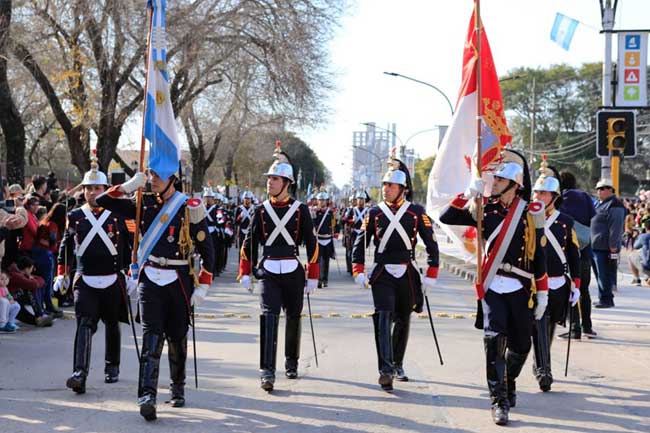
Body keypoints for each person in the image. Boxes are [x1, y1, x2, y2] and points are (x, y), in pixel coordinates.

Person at [97, 164, 214, 421]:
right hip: (150, 277)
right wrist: (129, 186)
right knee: (151, 337)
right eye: (150, 174)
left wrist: (204, 285)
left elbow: (208, 251)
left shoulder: (188, 206)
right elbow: (102, 200)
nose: (152, 179)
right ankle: (147, 395)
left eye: (158, 175)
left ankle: (177, 387)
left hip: (180, 279)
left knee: (176, 336)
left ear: (173, 178)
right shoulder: (143, 203)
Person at [439, 149, 548, 426]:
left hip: (521, 286)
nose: (494, 182)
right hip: (492, 285)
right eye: (494, 179)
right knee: (494, 338)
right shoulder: (483, 207)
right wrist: (467, 192)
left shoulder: (531, 212)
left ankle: (508, 380)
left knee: (522, 344)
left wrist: (544, 291)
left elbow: (540, 255)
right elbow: (447, 216)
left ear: (514, 184)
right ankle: (498, 399)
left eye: (500, 180)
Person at [352, 154, 439, 392]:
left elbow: (431, 244)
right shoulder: (374, 213)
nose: (385, 189)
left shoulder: (416, 212)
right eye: (384, 185)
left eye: (390, 185)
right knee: (382, 316)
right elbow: (360, 243)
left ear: (403, 188)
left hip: (407, 272)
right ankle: (385, 370)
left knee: (403, 318)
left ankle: (398, 363)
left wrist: (431, 273)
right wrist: (358, 269)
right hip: (382, 273)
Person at [238, 141, 319, 392]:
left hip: (293, 270)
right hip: (269, 270)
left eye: (274, 179)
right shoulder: (261, 210)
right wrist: (245, 271)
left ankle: (291, 362)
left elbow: (312, 243)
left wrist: (313, 274)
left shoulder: (301, 210)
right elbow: (250, 242)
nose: (269, 182)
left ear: (287, 183)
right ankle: (267, 371)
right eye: (269, 179)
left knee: (293, 317)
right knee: (268, 317)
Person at [54, 158, 131, 395]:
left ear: (106, 190)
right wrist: (61, 273)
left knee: (111, 323)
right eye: (89, 188)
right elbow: (66, 246)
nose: (92, 192)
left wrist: (132, 272)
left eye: (97, 188)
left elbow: (128, 245)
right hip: (85, 278)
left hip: (112, 277)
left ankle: (112, 366)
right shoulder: (76, 215)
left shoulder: (117, 214)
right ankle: (80, 373)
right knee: (85, 324)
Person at [530, 161, 580, 392]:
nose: (539, 196)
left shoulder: (565, 221)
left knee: (549, 326)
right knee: (539, 323)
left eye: (544, 192)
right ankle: (544, 370)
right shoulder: (528, 217)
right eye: (537, 192)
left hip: (558, 283)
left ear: (554, 196)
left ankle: (540, 362)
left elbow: (573, 254)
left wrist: (577, 284)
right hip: (534, 282)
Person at [558, 171, 597, 339]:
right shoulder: (585, 196)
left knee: (571, 289)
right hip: (586, 249)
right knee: (584, 290)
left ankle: (575, 328)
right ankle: (587, 326)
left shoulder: (559, 198)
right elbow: (593, 215)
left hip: (567, 251)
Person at [591, 179, 625, 308]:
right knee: (600, 274)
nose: (599, 191)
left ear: (610, 190)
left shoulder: (615, 205)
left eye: (602, 188)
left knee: (604, 273)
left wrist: (613, 246)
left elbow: (615, 228)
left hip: (605, 247)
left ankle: (606, 299)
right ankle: (603, 296)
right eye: (598, 188)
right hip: (596, 245)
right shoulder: (599, 203)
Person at [312, 188, 337, 288]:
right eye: (320, 200)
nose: (321, 202)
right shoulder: (314, 212)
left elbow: (335, 225)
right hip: (318, 239)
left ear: (327, 201)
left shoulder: (330, 213)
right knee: (318, 260)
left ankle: (325, 279)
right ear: (317, 201)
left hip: (327, 239)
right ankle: (318, 279)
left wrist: (335, 236)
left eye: (323, 200)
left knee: (326, 260)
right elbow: (311, 225)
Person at [344, 192, 368, 277]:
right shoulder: (352, 210)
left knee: (361, 251)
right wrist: (351, 221)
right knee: (353, 252)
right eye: (359, 199)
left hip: (363, 233)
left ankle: (361, 268)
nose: (360, 200)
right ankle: (352, 269)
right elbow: (345, 220)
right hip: (354, 233)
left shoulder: (367, 210)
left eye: (362, 199)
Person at [628, 219, 650, 285]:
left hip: (647, 266)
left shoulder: (644, 236)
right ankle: (647, 277)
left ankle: (636, 279)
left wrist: (638, 236)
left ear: (646, 228)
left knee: (631, 255)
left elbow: (635, 246)